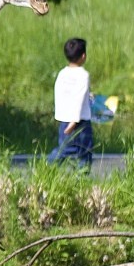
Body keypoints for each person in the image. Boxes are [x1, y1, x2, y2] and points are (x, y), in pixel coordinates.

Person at [49, 36, 94, 167]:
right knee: (83, 151)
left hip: (64, 119)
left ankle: (47, 168)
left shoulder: (62, 73)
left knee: (64, 147)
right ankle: (81, 177)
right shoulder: (83, 75)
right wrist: (74, 121)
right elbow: (79, 99)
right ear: (83, 56)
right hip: (80, 121)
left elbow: (61, 93)